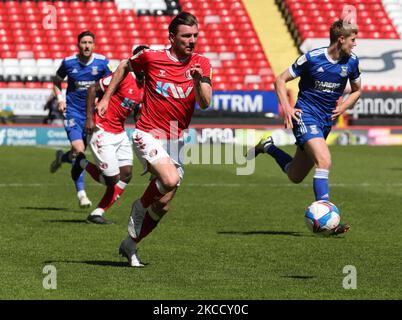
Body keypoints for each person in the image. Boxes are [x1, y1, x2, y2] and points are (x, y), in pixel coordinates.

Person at [97, 12, 212, 267]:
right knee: (169, 179)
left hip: (176, 138)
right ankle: (138, 207)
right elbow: (125, 65)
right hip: (147, 132)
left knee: (164, 205)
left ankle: (131, 244)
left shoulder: (201, 63)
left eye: (195, 36)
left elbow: (205, 102)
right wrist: (105, 98)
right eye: (186, 36)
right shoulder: (151, 57)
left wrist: (196, 80)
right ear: (172, 37)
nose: (192, 41)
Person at [246, 19, 361, 235]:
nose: (355, 44)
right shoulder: (312, 58)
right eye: (353, 39)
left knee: (295, 175)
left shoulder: (352, 62)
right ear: (341, 39)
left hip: (325, 121)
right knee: (324, 161)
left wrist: (343, 106)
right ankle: (328, 220)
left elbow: (357, 90)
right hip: (305, 116)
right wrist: (287, 108)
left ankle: (268, 146)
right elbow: (280, 80)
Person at [71, 45, 148, 225]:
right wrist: (89, 118)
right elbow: (92, 89)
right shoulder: (123, 75)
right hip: (101, 129)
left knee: (127, 174)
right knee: (111, 180)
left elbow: (137, 110)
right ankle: (80, 162)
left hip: (119, 132)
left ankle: (97, 213)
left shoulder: (144, 86)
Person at [50, 31, 112, 208]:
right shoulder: (69, 62)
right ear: (78, 45)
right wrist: (61, 99)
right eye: (83, 42)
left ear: (94, 45)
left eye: (90, 42)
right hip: (73, 114)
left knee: (76, 154)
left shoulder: (102, 63)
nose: (86, 46)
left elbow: (111, 83)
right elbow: (56, 81)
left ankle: (62, 158)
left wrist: (104, 100)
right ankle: (82, 194)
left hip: (92, 116)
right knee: (80, 151)